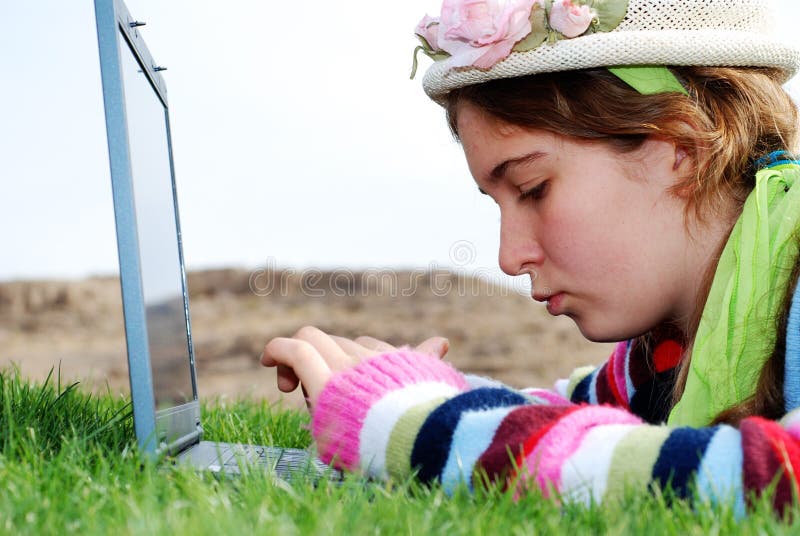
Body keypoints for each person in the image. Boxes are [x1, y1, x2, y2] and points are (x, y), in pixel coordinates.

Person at [261, 0, 800, 515]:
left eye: (534, 187)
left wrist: (413, 427)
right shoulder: (673, 345)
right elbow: (573, 412)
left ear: (681, 146)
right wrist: (404, 388)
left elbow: (766, 482)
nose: (509, 257)